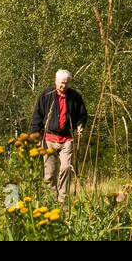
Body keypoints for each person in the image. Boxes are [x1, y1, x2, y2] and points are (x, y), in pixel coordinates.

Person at [30, 69, 87, 202]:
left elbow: (82, 114)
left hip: (67, 139)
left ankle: (63, 200)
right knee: (49, 173)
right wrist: (36, 137)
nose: (64, 86)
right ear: (56, 81)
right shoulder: (46, 95)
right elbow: (37, 117)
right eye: (61, 83)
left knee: (66, 167)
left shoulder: (75, 97)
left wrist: (80, 125)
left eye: (67, 84)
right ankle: (51, 201)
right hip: (49, 139)